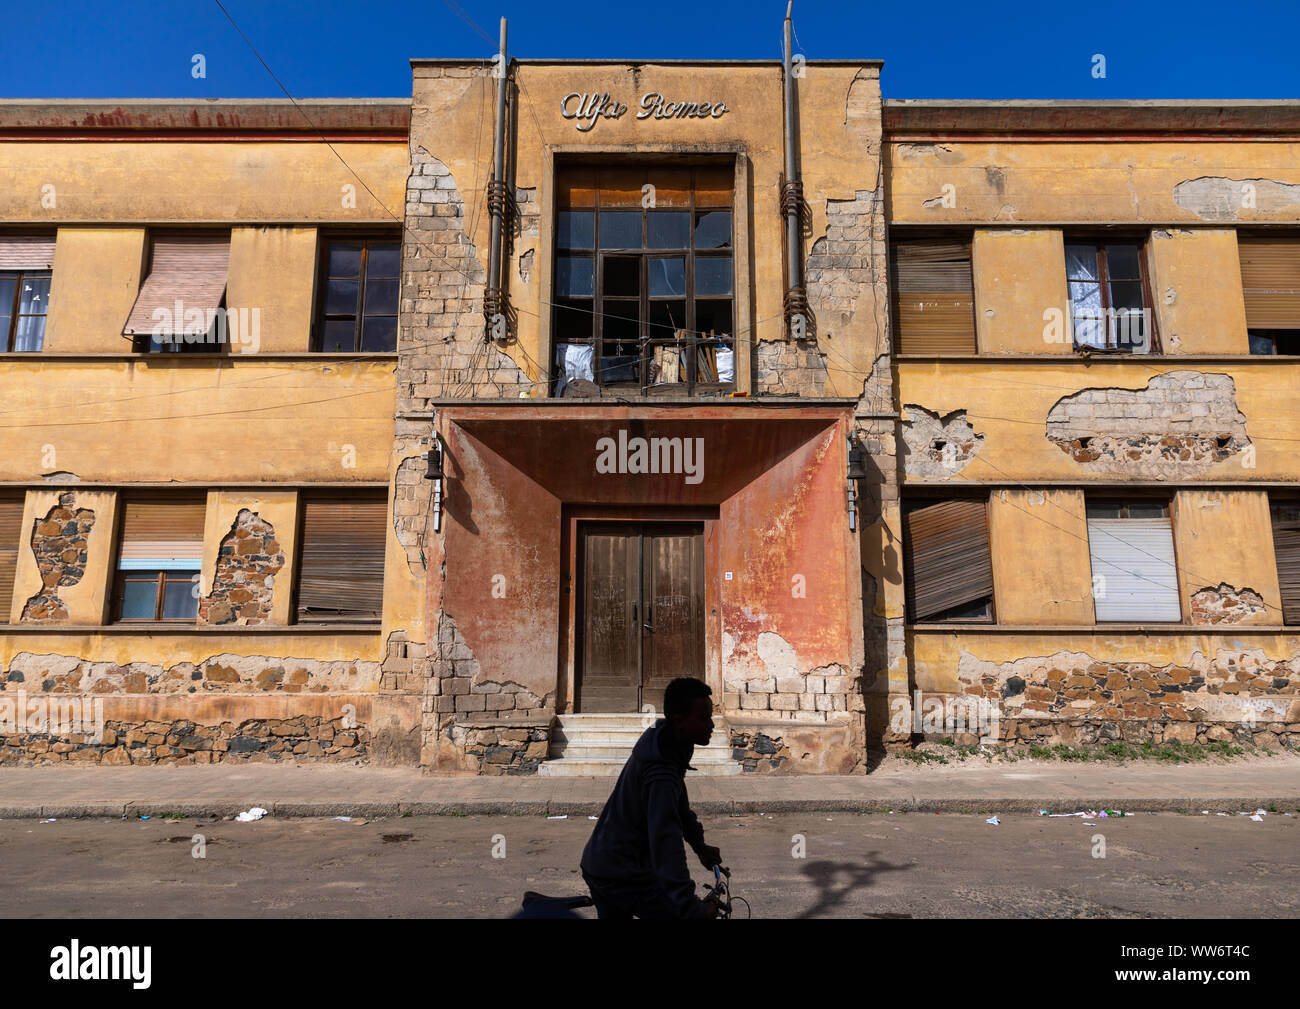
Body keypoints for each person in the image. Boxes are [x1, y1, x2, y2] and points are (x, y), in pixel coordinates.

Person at [580, 677, 724, 919]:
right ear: (679, 721)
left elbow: (680, 808)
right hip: (622, 872)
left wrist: (700, 846)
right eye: (703, 718)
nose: (711, 725)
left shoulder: (666, 740)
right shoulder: (662, 771)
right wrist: (691, 908)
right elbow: (666, 840)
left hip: (602, 863)